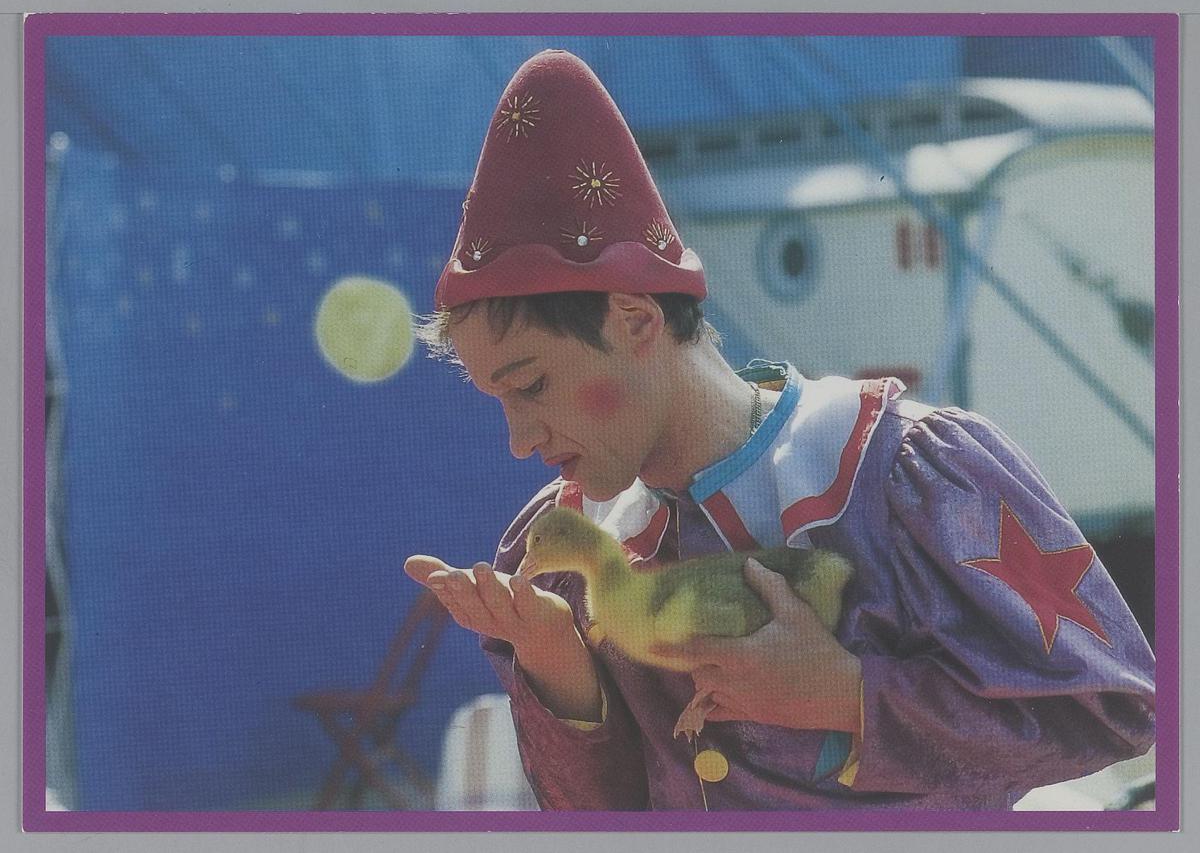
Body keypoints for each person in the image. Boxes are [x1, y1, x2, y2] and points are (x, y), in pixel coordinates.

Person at [403, 49, 1155, 811]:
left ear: (634, 319)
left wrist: (849, 696)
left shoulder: (900, 471)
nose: (519, 439)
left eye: (532, 385)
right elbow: (604, 812)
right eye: (499, 398)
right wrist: (557, 664)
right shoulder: (565, 546)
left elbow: (1110, 711)